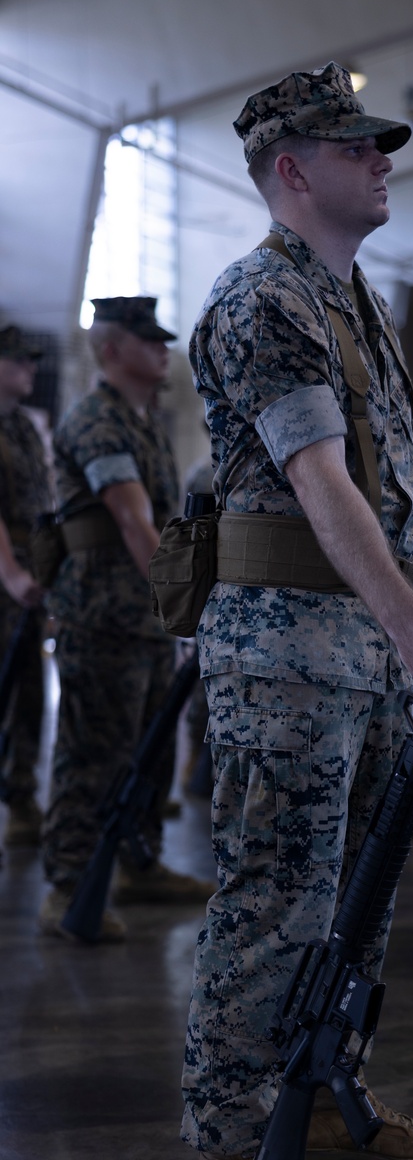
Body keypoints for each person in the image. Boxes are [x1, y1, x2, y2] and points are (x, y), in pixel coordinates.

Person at [180, 63, 413, 1160]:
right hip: (289, 650)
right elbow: (322, 484)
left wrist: (403, 626)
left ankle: (316, 1102)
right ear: (292, 168)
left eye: (381, 143)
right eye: (356, 146)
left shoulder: (347, 298)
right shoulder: (264, 300)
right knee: (274, 905)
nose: (384, 159)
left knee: (349, 904)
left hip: (349, 650)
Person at [39, 299, 215, 939]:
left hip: (137, 619)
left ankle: (139, 864)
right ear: (112, 348)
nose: (162, 349)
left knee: (146, 751)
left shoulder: (141, 422)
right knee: (94, 756)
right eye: (148, 340)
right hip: (101, 617)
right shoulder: (98, 420)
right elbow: (134, 521)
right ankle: (67, 884)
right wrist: (185, 604)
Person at [0, 326, 49, 847]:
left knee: (27, 695)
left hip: (27, 582)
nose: (29, 369)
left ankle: (18, 797)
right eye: (18, 361)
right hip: (7, 577)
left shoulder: (24, 428)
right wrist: (11, 572)